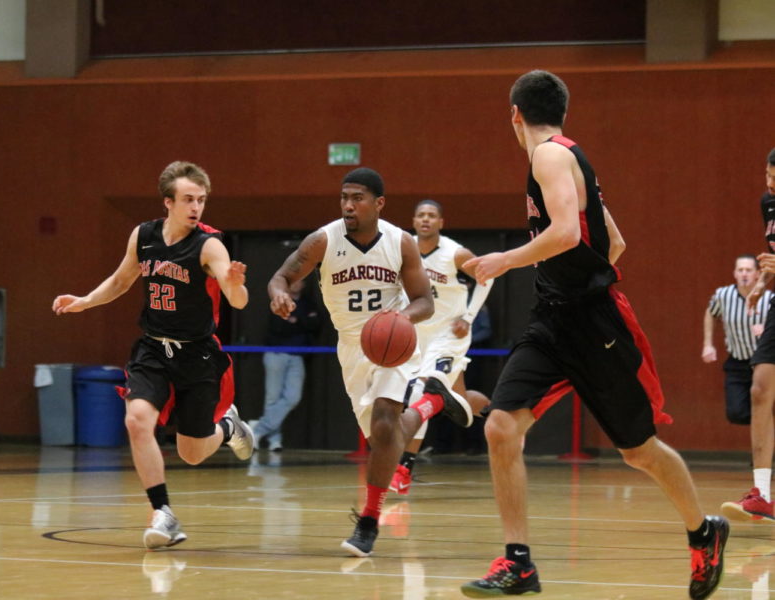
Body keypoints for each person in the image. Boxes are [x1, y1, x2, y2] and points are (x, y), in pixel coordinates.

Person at [459, 70, 727, 599]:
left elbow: (563, 232)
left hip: (593, 323)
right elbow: (616, 241)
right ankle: (519, 563)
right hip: (553, 319)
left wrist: (504, 261)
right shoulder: (568, 157)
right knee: (500, 428)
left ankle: (705, 532)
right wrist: (575, 274)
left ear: (515, 113)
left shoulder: (549, 156)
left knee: (639, 450)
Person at [267, 167, 474, 558]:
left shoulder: (401, 243)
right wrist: (278, 294)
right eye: (344, 197)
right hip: (351, 348)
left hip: (393, 344)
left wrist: (401, 319)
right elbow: (280, 276)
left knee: (383, 423)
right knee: (385, 438)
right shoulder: (322, 241)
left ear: (378, 203)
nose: (349, 205)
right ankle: (432, 402)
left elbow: (425, 301)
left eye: (357, 197)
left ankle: (368, 520)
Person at [52, 160, 255, 550]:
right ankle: (162, 513)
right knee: (137, 420)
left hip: (197, 356)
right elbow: (122, 279)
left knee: (191, 453)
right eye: (188, 200)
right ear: (168, 202)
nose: (196, 208)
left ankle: (228, 427)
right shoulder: (143, 236)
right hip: (153, 349)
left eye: (201, 200)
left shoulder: (209, 244)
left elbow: (238, 301)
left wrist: (235, 284)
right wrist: (85, 302)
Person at [388, 199, 492, 495]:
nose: (426, 220)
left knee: (421, 395)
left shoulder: (454, 253)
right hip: (417, 336)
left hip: (449, 335)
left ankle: (404, 468)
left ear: (441, 222)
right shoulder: (404, 251)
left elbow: (488, 277)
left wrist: (469, 317)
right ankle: (502, 415)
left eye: (432, 216)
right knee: (456, 399)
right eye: (421, 215)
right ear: (414, 220)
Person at [722, 148, 775, 523]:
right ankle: (763, 493)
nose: (769, 185)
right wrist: (761, 284)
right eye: (767, 176)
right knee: (759, 388)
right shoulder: (768, 203)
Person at [702, 255, 772, 426]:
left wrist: (766, 329)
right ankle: (763, 423)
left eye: (748, 270)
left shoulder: (769, 298)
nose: (744, 274)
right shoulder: (723, 295)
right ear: (734, 274)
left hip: (763, 363)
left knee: (766, 405)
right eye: (740, 270)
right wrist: (708, 344)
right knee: (736, 413)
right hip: (738, 362)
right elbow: (711, 313)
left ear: (757, 274)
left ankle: (765, 429)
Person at [253, 278, 321, 451]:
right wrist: (300, 322)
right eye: (293, 282)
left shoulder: (308, 304)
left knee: (293, 397)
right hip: (275, 353)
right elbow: (279, 326)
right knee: (272, 398)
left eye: (300, 281)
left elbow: (315, 324)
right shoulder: (280, 301)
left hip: (297, 355)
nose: (296, 284)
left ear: (304, 284)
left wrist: (296, 320)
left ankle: (258, 429)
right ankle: (275, 440)